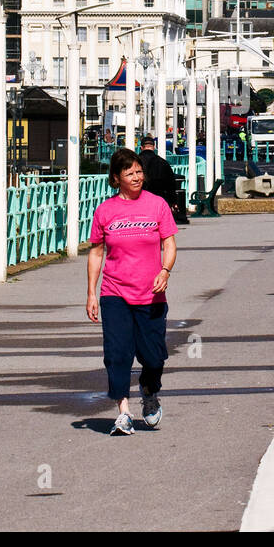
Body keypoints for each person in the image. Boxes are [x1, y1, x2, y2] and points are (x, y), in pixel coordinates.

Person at [86, 148, 178, 436]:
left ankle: (149, 391)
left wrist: (165, 271)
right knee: (117, 353)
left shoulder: (157, 206)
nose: (137, 177)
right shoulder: (105, 211)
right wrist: (91, 293)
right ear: (117, 178)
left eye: (139, 172)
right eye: (130, 174)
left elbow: (170, 244)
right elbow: (96, 253)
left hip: (151, 294)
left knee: (154, 357)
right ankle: (123, 411)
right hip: (114, 293)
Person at [139, 134, 188, 224]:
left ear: (141, 147)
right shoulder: (162, 162)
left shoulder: (135, 162)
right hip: (159, 199)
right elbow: (170, 183)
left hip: (139, 199)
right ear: (153, 147)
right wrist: (173, 201)